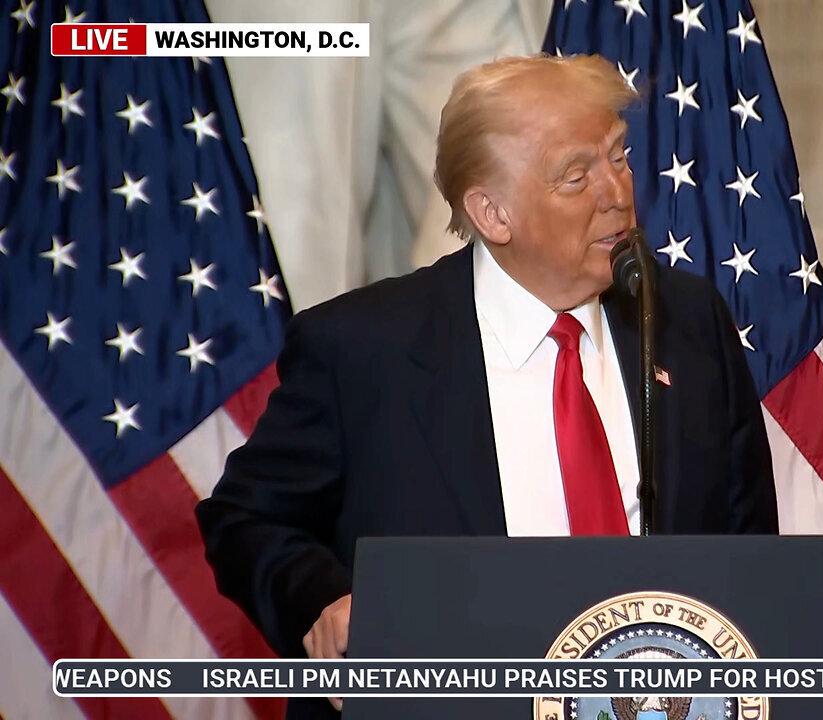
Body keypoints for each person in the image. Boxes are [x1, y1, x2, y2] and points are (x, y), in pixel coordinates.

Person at [196, 53, 778, 718]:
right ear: (493, 214)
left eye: (617, 156)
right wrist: (320, 601)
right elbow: (243, 518)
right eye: (575, 175)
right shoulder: (363, 351)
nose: (616, 192)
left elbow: (748, 555)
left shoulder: (686, 322)